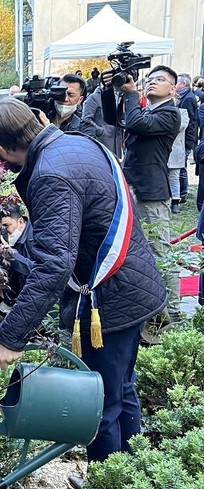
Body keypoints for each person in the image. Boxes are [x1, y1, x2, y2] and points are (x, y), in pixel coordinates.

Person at [0, 98, 166, 489]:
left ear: (4, 150)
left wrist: (11, 335)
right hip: (129, 287)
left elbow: (54, 263)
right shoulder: (74, 143)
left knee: (100, 404)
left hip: (110, 297)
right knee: (121, 391)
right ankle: (126, 479)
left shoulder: (50, 175)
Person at [104, 65, 181, 323]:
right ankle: (149, 306)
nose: (151, 82)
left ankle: (174, 310)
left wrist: (131, 93)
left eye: (159, 79)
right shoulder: (147, 110)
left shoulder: (171, 114)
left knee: (159, 248)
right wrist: (110, 90)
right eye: (149, 79)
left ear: (172, 88)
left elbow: (135, 122)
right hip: (132, 187)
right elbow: (114, 120)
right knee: (135, 248)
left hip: (152, 192)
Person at [0, 204, 34, 310]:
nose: (4, 231)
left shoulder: (35, 236)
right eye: (1, 227)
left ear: (21, 222)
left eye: (7, 226)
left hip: (37, 301)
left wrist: (12, 254)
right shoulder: (7, 239)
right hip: (17, 300)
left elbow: (38, 270)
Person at [79, 83, 123, 158]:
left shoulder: (117, 95)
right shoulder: (94, 97)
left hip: (116, 142)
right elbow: (86, 119)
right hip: (102, 142)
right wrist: (101, 131)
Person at [175, 73, 200, 204]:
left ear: (183, 84)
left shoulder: (188, 98)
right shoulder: (184, 96)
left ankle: (183, 194)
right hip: (184, 138)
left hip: (185, 138)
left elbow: (187, 121)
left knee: (181, 166)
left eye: (177, 82)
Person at [168, 102, 190, 214]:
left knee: (174, 177)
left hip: (175, 150)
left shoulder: (182, 112)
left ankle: (175, 201)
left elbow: (180, 126)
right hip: (158, 151)